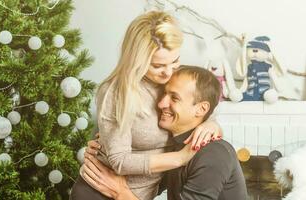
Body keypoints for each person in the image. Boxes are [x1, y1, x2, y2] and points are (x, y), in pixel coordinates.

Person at [70, 12, 222, 200]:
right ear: (137, 60)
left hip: (135, 194)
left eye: (174, 60)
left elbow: (202, 104)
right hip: (102, 191)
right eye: (158, 65)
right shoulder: (117, 92)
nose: (169, 72)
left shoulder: (178, 76)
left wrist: (211, 124)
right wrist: (179, 158)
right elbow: (120, 161)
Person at [82, 66, 248, 200]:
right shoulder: (175, 148)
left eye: (174, 98)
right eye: (163, 94)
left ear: (201, 109)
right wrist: (105, 147)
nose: (161, 104)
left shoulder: (212, 153)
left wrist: (121, 193)